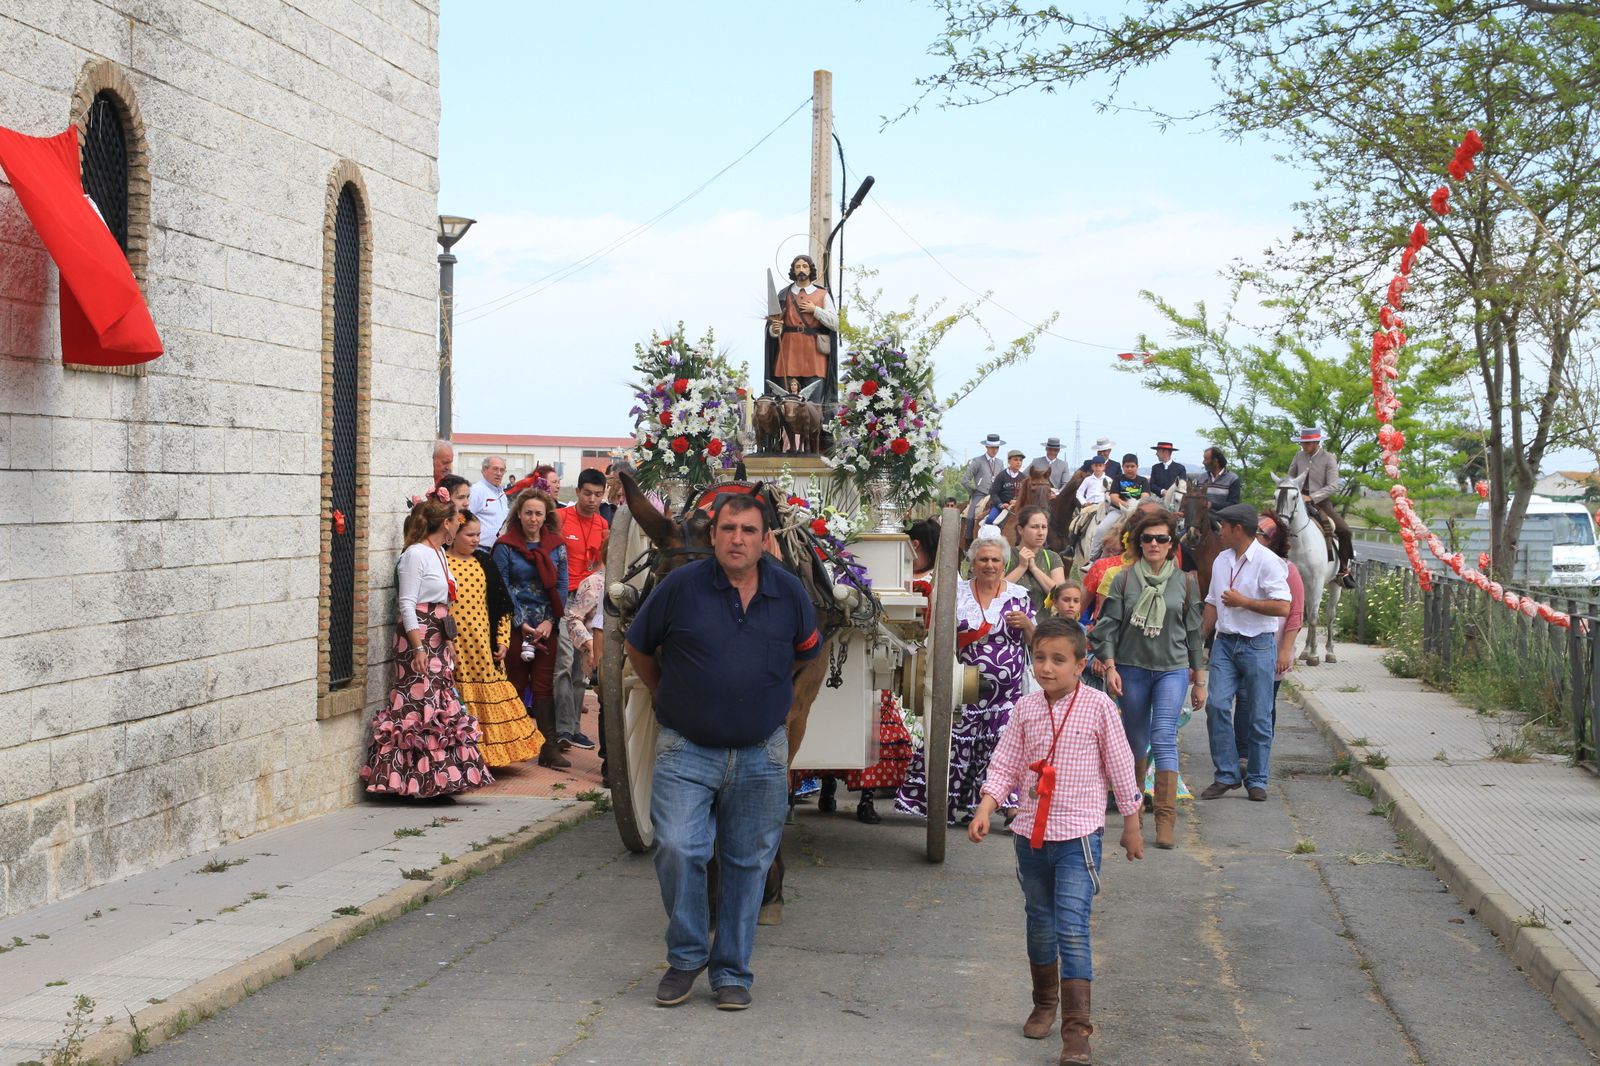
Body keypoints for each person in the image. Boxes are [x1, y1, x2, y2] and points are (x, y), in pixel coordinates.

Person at [624, 494, 821, 1011]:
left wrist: (770, 698)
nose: (737, 539)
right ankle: (687, 956)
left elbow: (807, 653)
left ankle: (732, 970)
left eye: (748, 530)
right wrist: (669, 692)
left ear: (765, 539)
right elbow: (638, 647)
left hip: (761, 754)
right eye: (728, 528)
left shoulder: (789, 591)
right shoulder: (679, 587)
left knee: (747, 863)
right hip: (686, 750)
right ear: (712, 536)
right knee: (677, 847)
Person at [968, 617, 1143, 1066]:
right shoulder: (1025, 708)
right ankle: (1044, 1003)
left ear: (1081, 665)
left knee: (1072, 926)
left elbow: (1121, 765)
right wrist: (986, 807)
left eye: (1058, 660)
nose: (1047, 668)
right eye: (1040, 658)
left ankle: (1076, 1030)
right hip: (1030, 835)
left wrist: (1132, 823)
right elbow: (1006, 762)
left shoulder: (1099, 707)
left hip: (1079, 835)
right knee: (1040, 921)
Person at [896, 526, 1036, 825]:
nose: (989, 565)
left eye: (995, 560)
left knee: (1005, 746)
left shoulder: (1020, 597)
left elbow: (1036, 642)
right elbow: (936, 636)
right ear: (972, 563)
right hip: (961, 688)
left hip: (1006, 695)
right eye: (983, 559)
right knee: (955, 746)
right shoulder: (955, 594)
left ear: (1005, 563)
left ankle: (1011, 806)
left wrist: (1027, 625)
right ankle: (945, 806)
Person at [360, 494, 492, 798]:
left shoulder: (439, 552)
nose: (459, 523)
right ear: (445, 523)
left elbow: (444, 600)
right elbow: (407, 604)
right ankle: (410, 780)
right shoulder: (415, 554)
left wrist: (449, 640)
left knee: (438, 700)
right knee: (417, 700)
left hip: (437, 632)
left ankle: (439, 779)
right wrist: (418, 647)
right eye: (456, 519)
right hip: (417, 634)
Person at [1092, 509, 1205, 850]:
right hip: (1131, 669)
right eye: (1148, 538)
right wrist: (1110, 666)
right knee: (1135, 742)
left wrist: (1200, 679)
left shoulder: (1186, 582)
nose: (1154, 544)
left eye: (1161, 538)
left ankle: (1165, 818)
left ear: (1171, 544)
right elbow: (1107, 627)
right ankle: (1134, 814)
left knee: (1164, 735)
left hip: (1172, 669)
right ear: (1138, 543)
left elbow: (1195, 633)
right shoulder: (1123, 580)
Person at [1200, 504, 1292, 802]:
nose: (1219, 532)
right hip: (1225, 642)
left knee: (1259, 714)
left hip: (1258, 644)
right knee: (1216, 705)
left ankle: (1257, 778)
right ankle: (1227, 774)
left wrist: (1245, 602)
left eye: (1223, 526)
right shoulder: (1221, 560)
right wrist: (1198, 642)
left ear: (1237, 529)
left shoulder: (1268, 561)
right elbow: (1212, 602)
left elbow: (1283, 606)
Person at [445, 513, 544, 767]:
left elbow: (501, 606)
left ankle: (491, 756)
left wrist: (502, 639)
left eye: (478, 535)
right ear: (453, 535)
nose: (475, 540)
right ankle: (464, 755)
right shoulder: (442, 562)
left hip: (483, 646)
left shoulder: (484, 562)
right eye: (470, 535)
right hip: (455, 645)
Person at [493, 487, 570, 769]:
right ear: (519, 514)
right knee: (515, 681)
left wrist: (550, 621)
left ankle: (549, 747)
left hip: (547, 624)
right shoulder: (505, 546)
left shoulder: (557, 546)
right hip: (515, 624)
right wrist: (522, 622)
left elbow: (562, 585)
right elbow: (502, 586)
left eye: (538, 513)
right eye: (528, 513)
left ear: (546, 516)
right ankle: (510, 746)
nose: (533, 519)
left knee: (543, 684)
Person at [554, 468, 609, 751]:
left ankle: (574, 728)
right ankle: (563, 728)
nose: (592, 499)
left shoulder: (603, 523)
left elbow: (604, 561)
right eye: (587, 493)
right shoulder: (560, 517)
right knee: (564, 661)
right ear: (577, 492)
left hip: (590, 599)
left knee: (581, 666)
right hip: (565, 598)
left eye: (598, 495)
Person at [1288, 427, 1355, 586]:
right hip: (1297, 500)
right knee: (1277, 524)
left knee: (1344, 531)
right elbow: (1290, 477)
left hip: (1321, 502)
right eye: (1302, 443)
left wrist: (1312, 497)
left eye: (1307, 443)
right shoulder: (1298, 456)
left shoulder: (1329, 458)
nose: (1303, 446)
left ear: (1316, 442)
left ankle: (1343, 570)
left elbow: (1333, 486)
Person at [1256, 512, 1306, 728]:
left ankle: (1342, 568)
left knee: (1338, 528)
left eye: (1258, 533)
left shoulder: (1289, 570)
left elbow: (1296, 613)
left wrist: (1285, 651)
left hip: (1315, 501)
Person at [765, 254, 838, 397]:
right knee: (787, 402)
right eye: (797, 267)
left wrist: (815, 310)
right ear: (793, 270)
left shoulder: (822, 294)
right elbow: (775, 323)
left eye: (805, 266)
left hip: (814, 354)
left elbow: (834, 323)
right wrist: (775, 329)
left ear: (810, 269)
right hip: (789, 352)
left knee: (813, 403)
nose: (801, 270)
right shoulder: (784, 294)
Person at [1006, 506, 1065, 610]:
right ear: (1020, 530)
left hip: (1043, 620)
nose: (1041, 533)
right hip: (1008, 619)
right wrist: (1021, 567)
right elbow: (994, 591)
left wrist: (1034, 569)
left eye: (1044, 527)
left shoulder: (1052, 557)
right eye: (1034, 527)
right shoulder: (1005, 555)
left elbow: (1061, 596)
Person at [962, 434, 1005, 536]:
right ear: (986, 447)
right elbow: (964, 480)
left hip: (996, 495)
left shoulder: (1000, 462)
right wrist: (973, 492)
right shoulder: (977, 461)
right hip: (981, 493)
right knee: (970, 515)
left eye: (997, 448)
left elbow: (1003, 480)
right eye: (992, 447)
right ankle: (968, 537)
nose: (994, 450)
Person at [469, 456, 510, 547]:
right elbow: (465, 519)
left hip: (498, 549)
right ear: (484, 470)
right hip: (480, 548)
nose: (499, 473)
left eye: (502, 470)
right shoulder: (476, 491)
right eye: (495, 469)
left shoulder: (502, 494)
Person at [986, 449, 1027, 525]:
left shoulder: (1024, 477)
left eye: (1020, 460)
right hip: (1002, 505)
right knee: (990, 519)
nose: (1018, 462)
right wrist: (1001, 504)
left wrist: (1018, 502)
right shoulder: (1001, 476)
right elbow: (994, 493)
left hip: (1018, 506)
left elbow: (1026, 495)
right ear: (1009, 461)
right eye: (1016, 460)